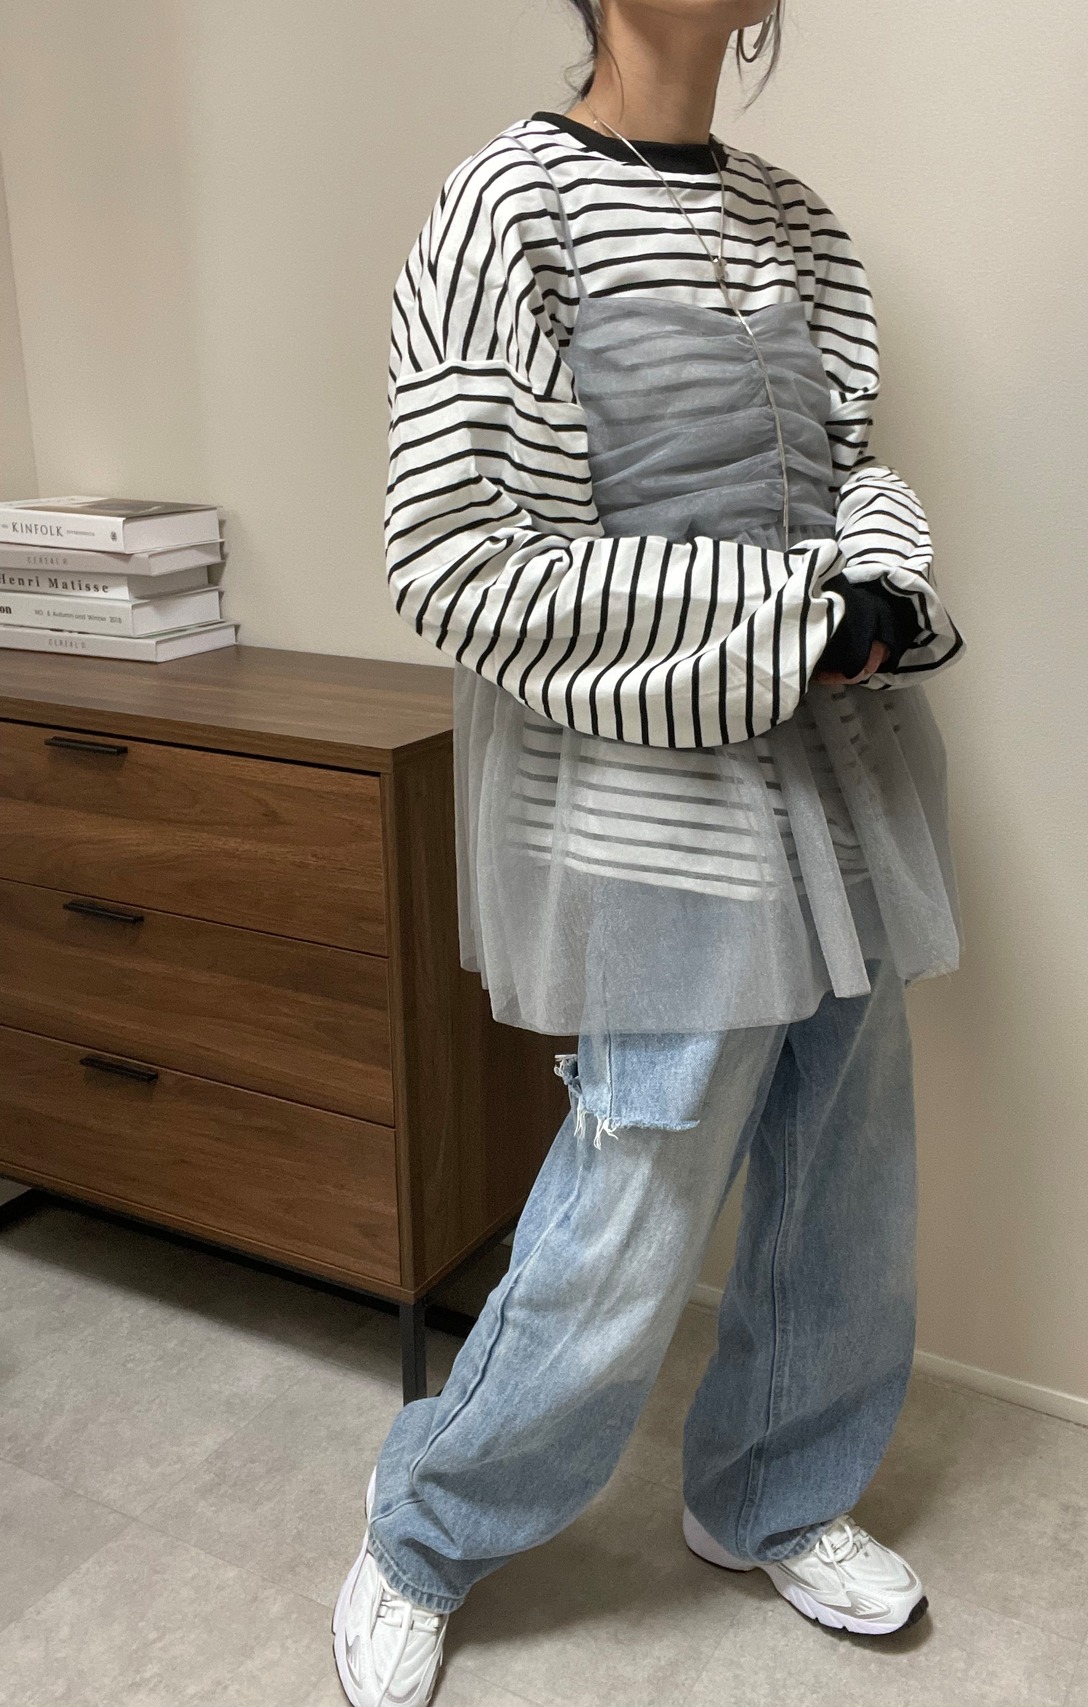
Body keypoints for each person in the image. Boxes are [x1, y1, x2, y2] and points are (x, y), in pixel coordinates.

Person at [334, 2, 965, 1700]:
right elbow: (459, 556)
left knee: (844, 1165)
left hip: (838, 778)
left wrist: (883, 579)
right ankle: (422, 1528)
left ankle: (774, 1495)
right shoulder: (508, 208)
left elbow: (858, 470)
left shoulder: (797, 223)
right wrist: (790, 612)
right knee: (633, 1191)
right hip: (646, 797)